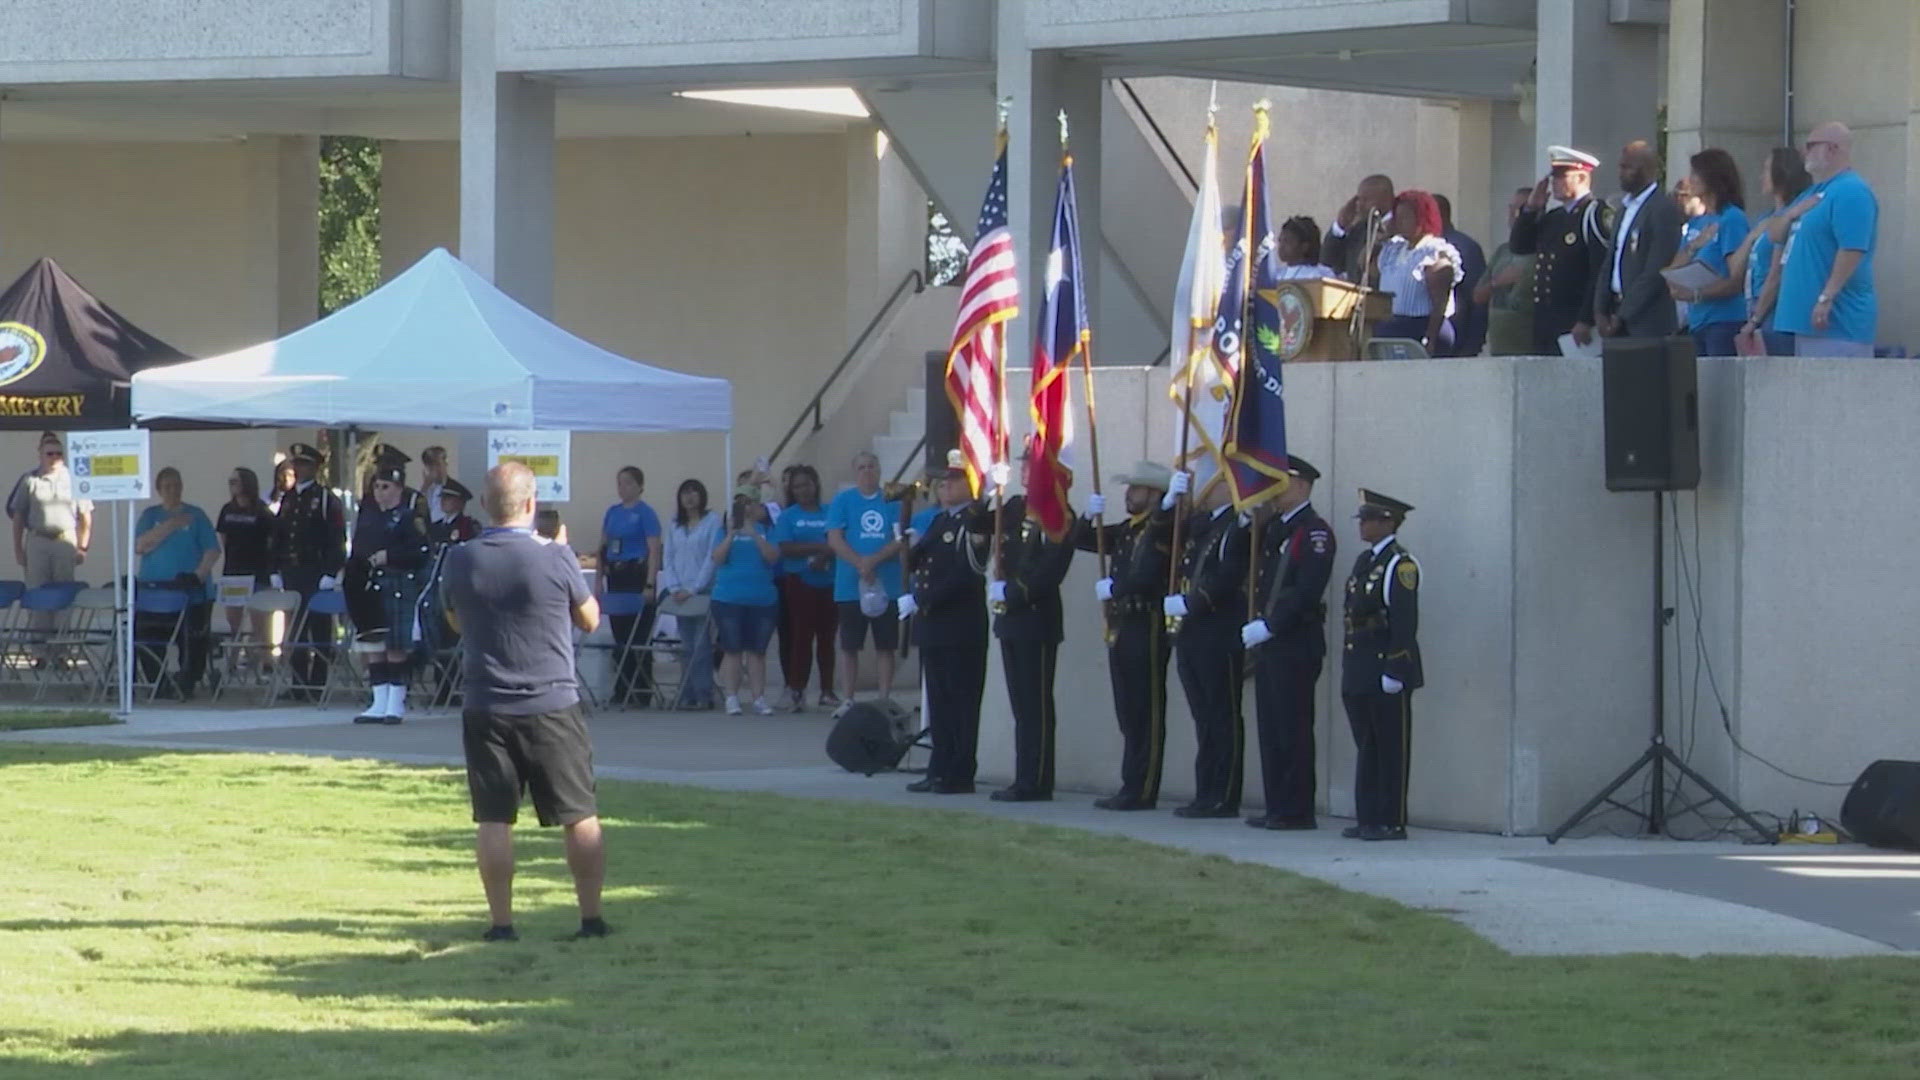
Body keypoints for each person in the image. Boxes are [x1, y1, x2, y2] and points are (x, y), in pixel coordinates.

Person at [442, 462, 606, 942]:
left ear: (485, 506)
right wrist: (566, 561)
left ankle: (501, 924)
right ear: (531, 505)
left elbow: (454, 621)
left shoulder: (462, 558)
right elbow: (590, 619)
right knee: (579, 814)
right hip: (552, 700)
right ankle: (591, 918)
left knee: (494, 818)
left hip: (486, 700)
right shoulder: (556, 557)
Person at [1239, 457, 1335, 830]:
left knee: (1292, 728)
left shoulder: (1313, 533)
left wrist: (1271, 625)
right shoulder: (1278, 529)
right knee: (1271, 727)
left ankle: (1297, 809)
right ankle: (1277, 803)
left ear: (1299, 486)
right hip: (1272, 643)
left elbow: (1305, 591)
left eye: (1280, 484)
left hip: (1295, 642)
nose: (1273, 490)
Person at [1075, 460, 1175, 810]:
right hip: (1122, 626)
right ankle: (1130, 783)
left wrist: (1116, 587)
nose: (1129, 494)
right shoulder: (1129, 530)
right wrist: (1087, 516)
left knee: (1146, 709)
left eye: (1136, 489)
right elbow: (1083, 540)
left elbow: (1148, 575)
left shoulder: (1160, 528)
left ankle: (1143, 788)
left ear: (1154, 494)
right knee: (1128, 709)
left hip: (1146, 624)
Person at [899, 450, 991, 795]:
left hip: (959, 625)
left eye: (953, 480)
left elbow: (965, 574)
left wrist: (922, 598)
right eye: (942, 481)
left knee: (960, 701)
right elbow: (919, 561)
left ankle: (959, 771)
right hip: (934, 625)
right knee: (938, 702)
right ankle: (939, 768)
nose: (944, 486)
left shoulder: (974, 521)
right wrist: (904, 539)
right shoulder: (939, 521)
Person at [1162, 469, 1251, 819]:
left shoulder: (1235, 527)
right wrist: (1168, 504)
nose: (1201, 492)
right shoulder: (1202, 526)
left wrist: (1192, 602)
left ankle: (1223, 795)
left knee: (1222, 716)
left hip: (1218, 632)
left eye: (1209, 485)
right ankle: (1205, 791)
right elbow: (1163, 535)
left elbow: (1229, 573)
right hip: (1192, 634)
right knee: (1204, 718)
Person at [1341, 489, 1424, 841]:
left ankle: (1391, 819)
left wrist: (1396, 667)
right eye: (1362, 518)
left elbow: (1404, 621)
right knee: (1368, 744)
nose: (1363, 525)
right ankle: (1368, 816)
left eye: (1369, 519)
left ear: (1388, 521)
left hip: (1384, 663)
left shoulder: (1399, 563)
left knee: (1390, 745)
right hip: (1360, 662)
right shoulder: (1365, 561)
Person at [986, 484, 1077, 803]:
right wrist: (986, 492)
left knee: (1035, 706)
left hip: (1036, 619)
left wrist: (1012, 593)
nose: (1027, 472)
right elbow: (980, 525)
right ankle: (1024, 775)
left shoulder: (1059, 515)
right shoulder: (1014, 507)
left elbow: (1050, 571)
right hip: (1011, 620)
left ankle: (1036, 779)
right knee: (1021, 707)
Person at [1770, 121, 1878, 357]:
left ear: (1832, 148)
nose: (1803, 152)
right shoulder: (1812, 194)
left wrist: (1826, 297)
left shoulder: (1851, 190)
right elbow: (1774, 235)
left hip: (1836, 326)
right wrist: (1790, 214)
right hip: (1799, 323)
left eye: (1810, 146)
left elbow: (1852, 250)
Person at [350, 463, 433, 725]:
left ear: (398, 488)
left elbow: (422, 553)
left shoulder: (409, 518)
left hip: (398, 584)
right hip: (371, 587)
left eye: (385, 487)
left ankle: (395, 704)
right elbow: (358, 551)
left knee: (396, 648)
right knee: (374, 645)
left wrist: (391, 556)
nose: (379, 492)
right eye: (376, 486)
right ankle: (378, 702)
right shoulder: (369, 517)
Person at [1510, 145, 1613, 354]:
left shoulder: (1594, 213)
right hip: (1546, 321)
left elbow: (1600, 270)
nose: (1554, 183)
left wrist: (1586, 318)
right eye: (1553, 176)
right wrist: (1531, 210)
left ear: (1582, 178)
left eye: (1561, 176)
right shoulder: (1554, 217)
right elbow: (1520, 246)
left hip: (1574, 319)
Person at [825, 450, 903, 717]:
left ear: (879, 470)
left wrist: (874, 560)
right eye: (862, 467)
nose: (867, 471)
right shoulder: (843, 501)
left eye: (872, 466)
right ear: (854, 472)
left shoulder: (893, 500)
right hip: (850, 586)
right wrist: (860, 563)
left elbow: (899, 538)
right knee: (849, 645)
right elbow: (835, 538)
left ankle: (884, 698)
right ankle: (848, 698)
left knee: (885, 645)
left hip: (887, 584)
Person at [134, 466, 221, 697]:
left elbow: (212, 550)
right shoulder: (150, 516)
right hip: (154, 594)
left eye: (177, 485)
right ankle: (158, 683)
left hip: (189, 593)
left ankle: (187, 680)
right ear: (159, 490)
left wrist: (198, 575)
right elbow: (141, 545)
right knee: (147, 637)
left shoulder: (196, 515)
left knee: (191, 638)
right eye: (168, 486)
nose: (173, 490)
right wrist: (172, 523)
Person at [273, 442, 346, 698]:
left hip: (315, 571)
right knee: (295, 630)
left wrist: (330, 571)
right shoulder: (289, 498)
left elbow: (336, 538)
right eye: (296, 464)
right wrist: (276, 568)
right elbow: (280, 535)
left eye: (304, 464)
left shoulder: (325, 499)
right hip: (293, 571)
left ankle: (317, 683)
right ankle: (298, 682)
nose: (299, 468)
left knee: (319, 629)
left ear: (315, 467)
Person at [1664, 149, 1750, 357]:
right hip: (1697, 320)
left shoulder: (1731, 218)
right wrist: (1694, 245)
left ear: (1712, 178)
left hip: (1724, 320)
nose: (1690, 180)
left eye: (1696, 174)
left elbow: (1736, 278)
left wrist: (1697, 294)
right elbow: (1673, 270)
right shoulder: (1697, 222)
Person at [8, 432, 93, 641]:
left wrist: (83, 547)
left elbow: (86, 516)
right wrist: (18, 549)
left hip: (65, 541)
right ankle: (40, 652)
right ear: (40, 454)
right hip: (38, 541)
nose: (54, 457)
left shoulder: (75, 479)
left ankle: (61, 651)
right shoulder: (30, 480)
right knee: (37, 596)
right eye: (49, 453)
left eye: (58, 453)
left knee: (64, 596)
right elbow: (18, 516)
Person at [1596, 140, 1682, 340]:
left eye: (1627, 167)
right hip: (1615, 313)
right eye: (1620, 166)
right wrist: (1600, 309)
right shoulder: (1623, 210)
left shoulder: (1662, 209)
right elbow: (1611, 260)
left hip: (1647, 320)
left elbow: (1656, 270)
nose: (1620, 172)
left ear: (1644, 170)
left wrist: (1624, 314)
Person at [1735, 147, 1814, 357]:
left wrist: (1756, 319)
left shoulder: (1791, 215)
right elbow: (1736, 265)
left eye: (1767, 170)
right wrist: (1751, 237)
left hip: (1772, 308)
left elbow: (1776, 273)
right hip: (1753, 302)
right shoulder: (1765, 217)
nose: (1762, 176)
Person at [770, 464, 837, 712]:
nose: (803, 490)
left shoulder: (830, 512)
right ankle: (797, 689)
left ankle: (827, 690)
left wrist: (826, 554)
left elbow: (838, 539)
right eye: (797, 486)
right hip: (800, 582)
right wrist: (819, 548)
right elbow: (786, 547)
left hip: (829, 581)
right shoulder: (789, 516)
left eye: (806, 484)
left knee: (827, 638)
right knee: (801, 637)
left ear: (816, 485)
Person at [711, 483, 781, 716]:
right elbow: (717, 558)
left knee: (757, 651)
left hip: (761, 599)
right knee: (733, 649)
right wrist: (732, 534)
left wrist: (755, 534)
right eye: (741, 502)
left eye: (750, 502)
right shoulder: (724, 530)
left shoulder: (767, 530)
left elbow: (772, 557)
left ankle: (758, 697)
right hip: (729, 598)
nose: (746, 507)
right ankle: (732, 697)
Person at [597, 466, 662, 706]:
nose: (622, 488)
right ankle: (622, 688)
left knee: (639, 635)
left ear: (638, 486)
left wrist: (650, 583)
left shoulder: (646, 513)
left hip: (637, 573)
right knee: (620, 635)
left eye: (627, 483)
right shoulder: (612, 512)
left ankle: (642, 690)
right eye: (619, 483)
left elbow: (654, 549)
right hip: (616, 574)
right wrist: (598, 581)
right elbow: (603, 546)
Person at [1369, 189, 1461, 355]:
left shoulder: (1434, 251)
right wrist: (1378, 239)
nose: (1400, 222)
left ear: (1421, 218)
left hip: (1420, 328)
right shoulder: (1394, 249)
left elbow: (1440, 303)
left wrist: (1430, 338)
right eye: (1397, 217)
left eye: (1406, 218)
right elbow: (1366, 266)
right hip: (1392, 326)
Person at [660, 478, 723, 710]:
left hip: (701, 591)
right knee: (686, 645)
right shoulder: (675, 523)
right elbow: (668, 557)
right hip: (679, 593)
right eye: (685, 493)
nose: (690, 497)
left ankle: (703, 693)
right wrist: (675, 587)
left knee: (701, 644)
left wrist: (694, 588)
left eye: (694, 492)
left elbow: (711, 557)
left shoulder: (712, 521)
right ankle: (686, 692)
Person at [215, 466, 277, 661]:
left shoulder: (262, 511)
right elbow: (223, 538)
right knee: (234, 623)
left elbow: (270, 541)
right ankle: (233, 661)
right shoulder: (227, 509)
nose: (231, 485)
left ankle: (264, 662)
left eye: (236, 481)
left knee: (260, 623)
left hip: (257, 573)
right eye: (230, 482)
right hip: (233, 573)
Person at [1479, 187, 1539, 355]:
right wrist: (1497, 282)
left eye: (1521, 209)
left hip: (1532, 345)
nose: (1515, 215)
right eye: (1512, 209)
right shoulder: (1502, 251)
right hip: (1500, 346)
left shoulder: (1546, 249)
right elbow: (1478, 296)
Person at [1434, 194, 1487, 356]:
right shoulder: (1421, 246)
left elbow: (1477, 298)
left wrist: (1473, 344)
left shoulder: (1463, 247)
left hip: (1455, 336)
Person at [1323, 173, 1396, 282]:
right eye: (1359, 199)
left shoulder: (1400, 227)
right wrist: (1340, 227)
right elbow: (1327, 263)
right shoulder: (1359, 229)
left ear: (1386, 199)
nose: (1360, 205)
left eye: (1366, 200)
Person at [1276, 215, 1336, 280]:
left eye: (1287, 241)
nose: (1281, 246)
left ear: (1304, 247)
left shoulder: (1319, 274)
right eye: (1280, 241)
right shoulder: (1276, 274)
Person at [428, 477, 481, 547]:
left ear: (460, 502)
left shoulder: (467, 525)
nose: (443, 500)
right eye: (442, 497)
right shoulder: (435, 526)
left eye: (448, 498)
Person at [420, 446, 452, 525]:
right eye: (430, 466)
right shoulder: (425, 489)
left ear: (445, 463)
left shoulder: (452, 489)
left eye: (437, 464)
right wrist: (425, 486)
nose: (434, 469)